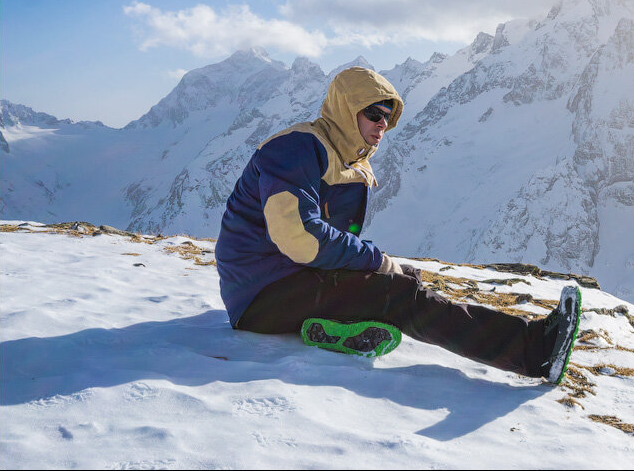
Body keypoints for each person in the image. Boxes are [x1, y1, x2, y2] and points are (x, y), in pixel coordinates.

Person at [214, 66, 581, 383]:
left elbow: (330, 241)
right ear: (346, 110)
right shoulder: (295, 149)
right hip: (261, 293)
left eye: (388, 116)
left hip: (283, 281)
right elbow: (299, 237)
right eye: (374, 113)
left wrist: (381, 266)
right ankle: (535, 351)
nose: (382, 125)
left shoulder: (342, 157)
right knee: (400, 296)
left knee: (404, 280)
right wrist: (374, 262)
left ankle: (335, 329)